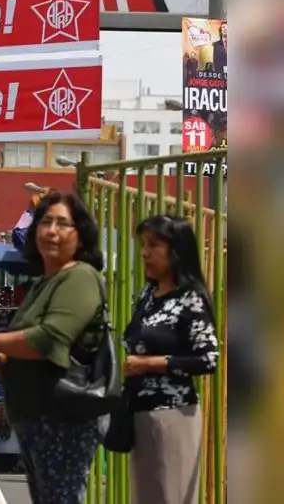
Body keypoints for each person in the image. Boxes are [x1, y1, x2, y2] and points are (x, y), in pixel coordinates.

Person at [0, 191, 106, 504]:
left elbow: (51, 339)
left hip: (63, 416)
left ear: (80, 236)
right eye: (45, 222)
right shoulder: (40, 283)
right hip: (33, 417)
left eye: (62, 223)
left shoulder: (80, 277)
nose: (51, 230)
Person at [123, 215, 219, 504]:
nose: (145, 253)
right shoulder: (147, 296)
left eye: (154, 245)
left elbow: (208, 358)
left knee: (172, 497)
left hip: (173, 414)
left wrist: (151, 363)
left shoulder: (191, 298)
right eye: (143, 245)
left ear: (176, 250)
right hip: (140, 413)